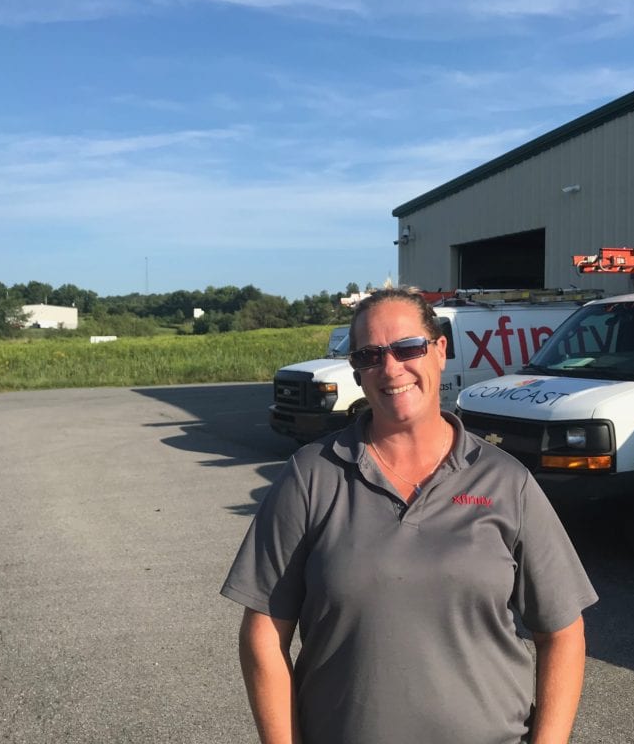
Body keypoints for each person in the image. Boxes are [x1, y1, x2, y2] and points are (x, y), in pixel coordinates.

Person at [221, 287, 598, 744]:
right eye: (370, 355)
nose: (391, 367)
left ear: (439, 350)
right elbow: (263, 632)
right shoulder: (310, 477)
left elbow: (562, 631)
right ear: (357, 371)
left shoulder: (505, 482)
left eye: (408, 348)